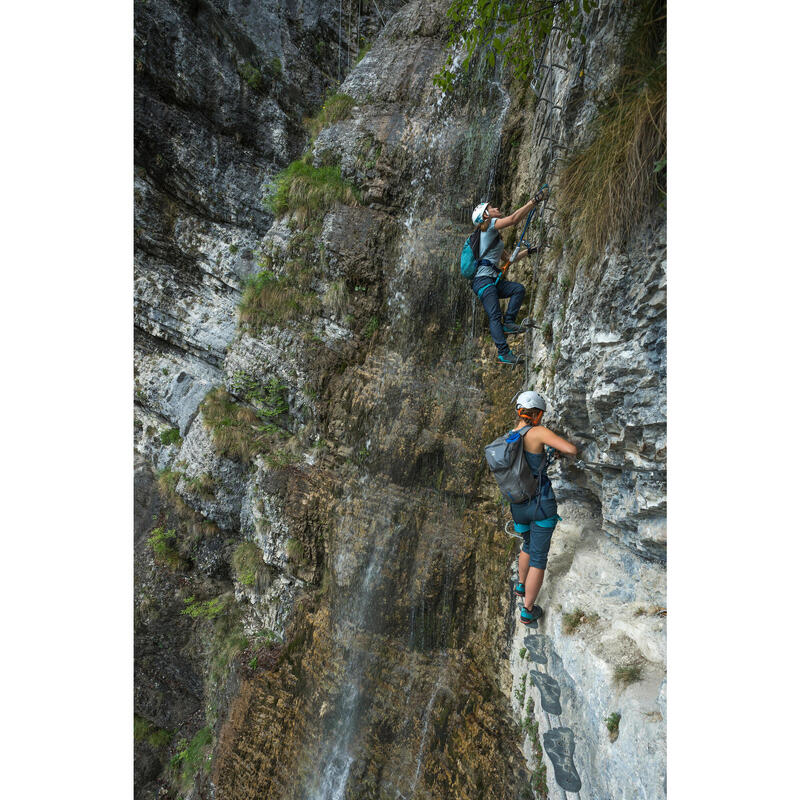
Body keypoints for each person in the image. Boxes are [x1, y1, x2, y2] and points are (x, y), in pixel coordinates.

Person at [507, 390, 577, 624]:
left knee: (527, 544)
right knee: (538, 557)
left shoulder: (509, 437)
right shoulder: (537, 432)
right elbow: (571, 449)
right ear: (536, 414)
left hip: (517, 505)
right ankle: (528, 610)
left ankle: (520, 585)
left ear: (518, 411)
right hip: (541, 504)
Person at [470, 190, 546, 365]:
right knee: (494, 315)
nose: (496, 208)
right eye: (491, 207)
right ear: (486, 215)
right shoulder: (489, 227)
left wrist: (530, 251)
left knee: (518, 289)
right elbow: (513, 220)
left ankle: (509, 322)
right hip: (483, 281)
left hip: (491, 281)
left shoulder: (493, 238)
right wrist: (533, 201)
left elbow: (509, 259)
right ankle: (503, 353)